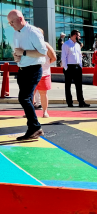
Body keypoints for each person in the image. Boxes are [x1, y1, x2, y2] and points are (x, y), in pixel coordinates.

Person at [8, 9, 47, 140]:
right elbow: (18, 52)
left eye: (12, 22)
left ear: (20, 19)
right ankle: (34, 127)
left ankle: (35, 127)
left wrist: (23, 53)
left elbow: (42, 52)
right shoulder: (16, 33)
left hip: (34, 69)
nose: (11, 25)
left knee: (24, 98)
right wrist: (16, 56)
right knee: (25, 98)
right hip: (22, 69)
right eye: (9, 23)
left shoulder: (33, 32)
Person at [61, 29, 90, 108]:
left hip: (77, 67)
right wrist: (66, 67)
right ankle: (69, 102)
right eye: (78, 36)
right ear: (74, 35)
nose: (79, 38)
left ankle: (81, 101)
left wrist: (80, 65)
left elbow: (79, 55)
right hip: (69, 67)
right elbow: (63, 57)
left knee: (79, 85)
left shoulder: (77, 45)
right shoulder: (66, 44)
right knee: (68, 85)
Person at [35, 28, 57, 118]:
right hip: (32, 72)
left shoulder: (46, 45)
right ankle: (29, 112)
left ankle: (45, 112)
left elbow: (54, 57)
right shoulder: (31, 44)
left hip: (44, 73)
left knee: (43, 93)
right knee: (31, 93)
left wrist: (46, 64)